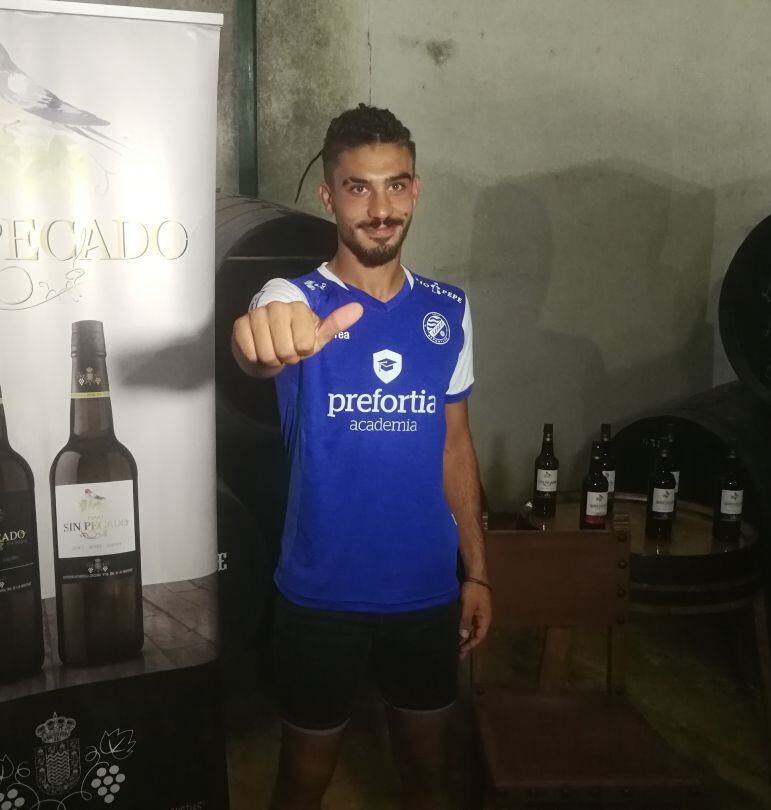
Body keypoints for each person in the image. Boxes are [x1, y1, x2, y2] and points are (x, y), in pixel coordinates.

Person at [231, 104, 491, 810]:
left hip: (426, 592)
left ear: (416, 187)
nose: (381, 209)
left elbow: (456, 442)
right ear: (328, 195)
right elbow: (262, 336)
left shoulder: (450, 309)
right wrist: (261, 336)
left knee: (428, 771)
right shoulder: (297, 299)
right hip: (320, 596)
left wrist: (480, 572)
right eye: (358, 188)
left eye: (396, 185)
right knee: (303, 779)